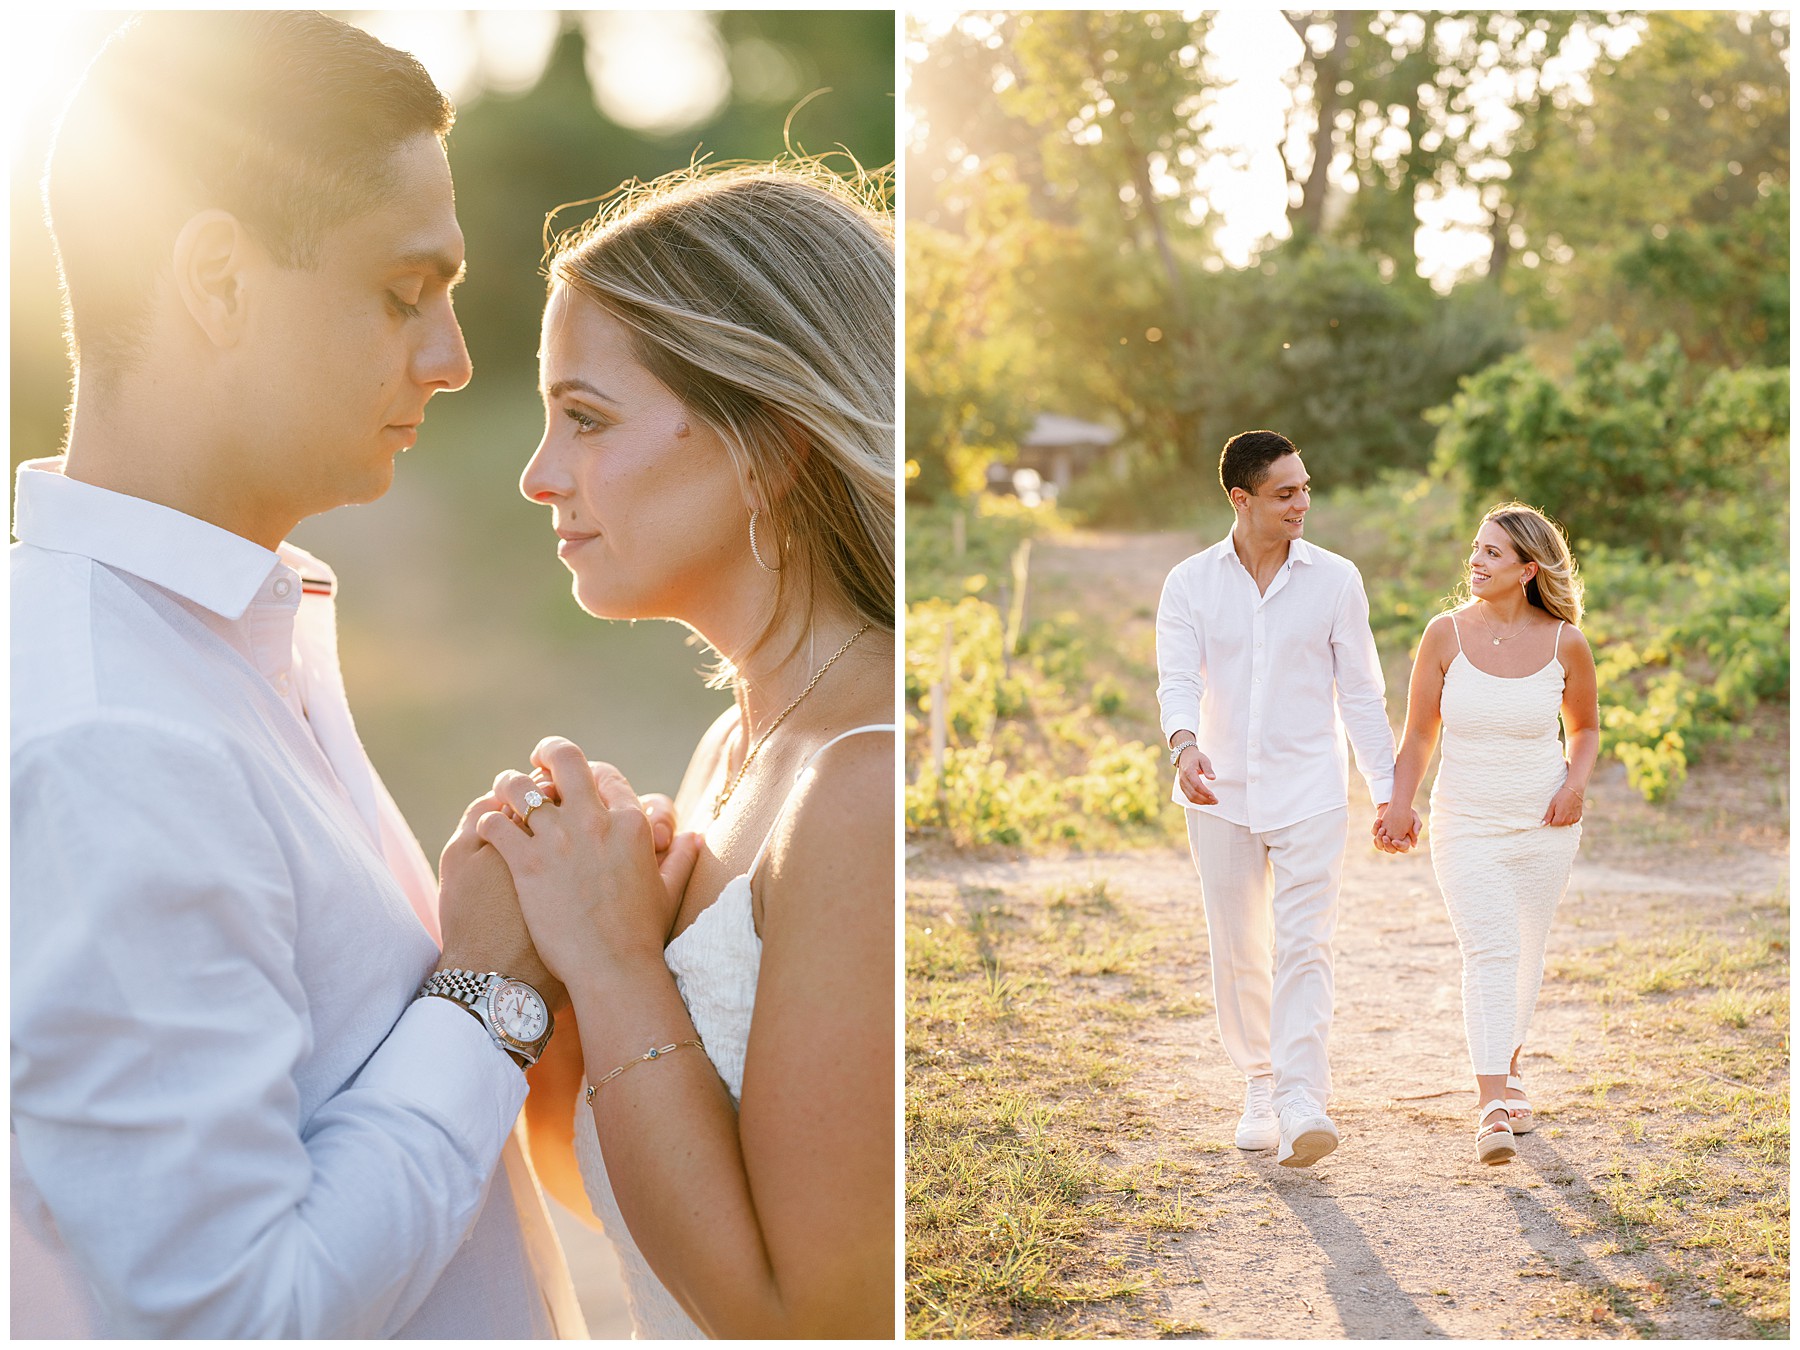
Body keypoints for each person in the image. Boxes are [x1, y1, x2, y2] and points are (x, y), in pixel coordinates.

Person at [11, 12, 583, 1336]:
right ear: (217, 281)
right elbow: (235, 1316)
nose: (451, 358)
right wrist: (488, 990)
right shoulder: (112, 740)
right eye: (403, 292)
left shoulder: (212, 640)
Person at [462, 164, 896, 1338]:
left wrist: (612, 965)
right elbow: (626, 1209)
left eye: (587, 417)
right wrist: (539, 975)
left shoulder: (866, 783)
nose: (538, 473)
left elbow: (806, 1320)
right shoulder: (732, 750)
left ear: (774, 437)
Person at [1154, 430, 1407, 1168]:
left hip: (1311, 793)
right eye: (1285, 492)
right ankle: (1260, 1083)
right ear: (1242, 499)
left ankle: (1302, 1099)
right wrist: (1183, 742)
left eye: (1305, 488)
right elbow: (1177, 676)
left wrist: (1387, 793)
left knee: (1305, 947)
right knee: (1237, 950)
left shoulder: (1336, 580)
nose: (1303, 502)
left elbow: (1362, 695)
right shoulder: (1189, 583)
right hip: (1220, 794)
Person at [1376, 503, 1598, 1164]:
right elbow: (1419, 733)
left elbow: (1584, 730)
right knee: (1492, 948)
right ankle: (1491, 1103)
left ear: (1528, 569)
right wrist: (1398, 804)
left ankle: (1512, 1071)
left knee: (1526, 951)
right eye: (1476, 549)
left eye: (1493, 553)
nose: (1475, 561)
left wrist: (1574, 786)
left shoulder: (1566, 642)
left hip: (1542, 824)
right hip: (1465, 823)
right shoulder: (1443, 634)